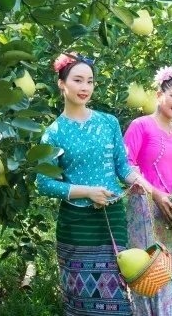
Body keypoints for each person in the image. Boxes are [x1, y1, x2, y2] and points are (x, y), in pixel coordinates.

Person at [36, 52, 150, 315]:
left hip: (112, 217)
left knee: (118, 293)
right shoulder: (54, 133)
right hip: (77, 225)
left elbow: (123, 166)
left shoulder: (108, 122)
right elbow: (44, 183)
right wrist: (87, 192)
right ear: (61, 84)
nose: (85, 87)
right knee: (79, 298)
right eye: (77, 80)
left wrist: (141, 183)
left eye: (89, 81)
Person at [123, 66, 172, 316]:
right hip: (145, 212)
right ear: (159, 95)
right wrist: (155, 193)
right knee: (149, 275)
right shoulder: (141, 126)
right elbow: (126, 167)